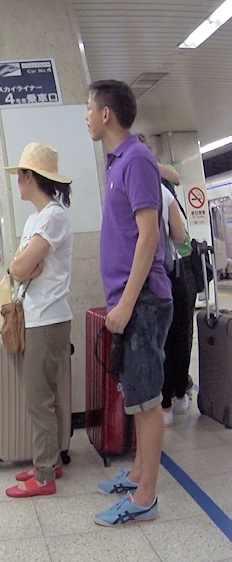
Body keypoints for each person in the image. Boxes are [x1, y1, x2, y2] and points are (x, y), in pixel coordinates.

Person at [87, 79, 172, 526]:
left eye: (89, 108)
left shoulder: (137, 158)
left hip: (143, 301)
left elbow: (150, 234)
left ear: (106, 115)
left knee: (146, 399)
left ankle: (146, 497)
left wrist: (126, 303)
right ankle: (138, 472)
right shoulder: (118, 163)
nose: (86, 116)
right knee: (137, 394)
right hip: (130, 299)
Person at [1, 143, 74, 498]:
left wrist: (24, 267)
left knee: (38, 399)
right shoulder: (35, 220)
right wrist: (25, 267)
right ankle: (51, 460)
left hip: (49, 319)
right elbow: (20, 267)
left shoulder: (54, 217)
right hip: (37, 317)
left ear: (31, 177)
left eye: (20, 176)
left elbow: (18, 267)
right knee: (46, 395)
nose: (18, 182)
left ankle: (45, 477)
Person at [138, 135, 195, 427]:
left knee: (153, 341)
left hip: (141, 279)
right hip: (170, 274)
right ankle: (177, 397)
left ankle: (160, 404)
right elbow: (181, 237)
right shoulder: (163, 192)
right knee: (177, 335)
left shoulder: (123, 189)